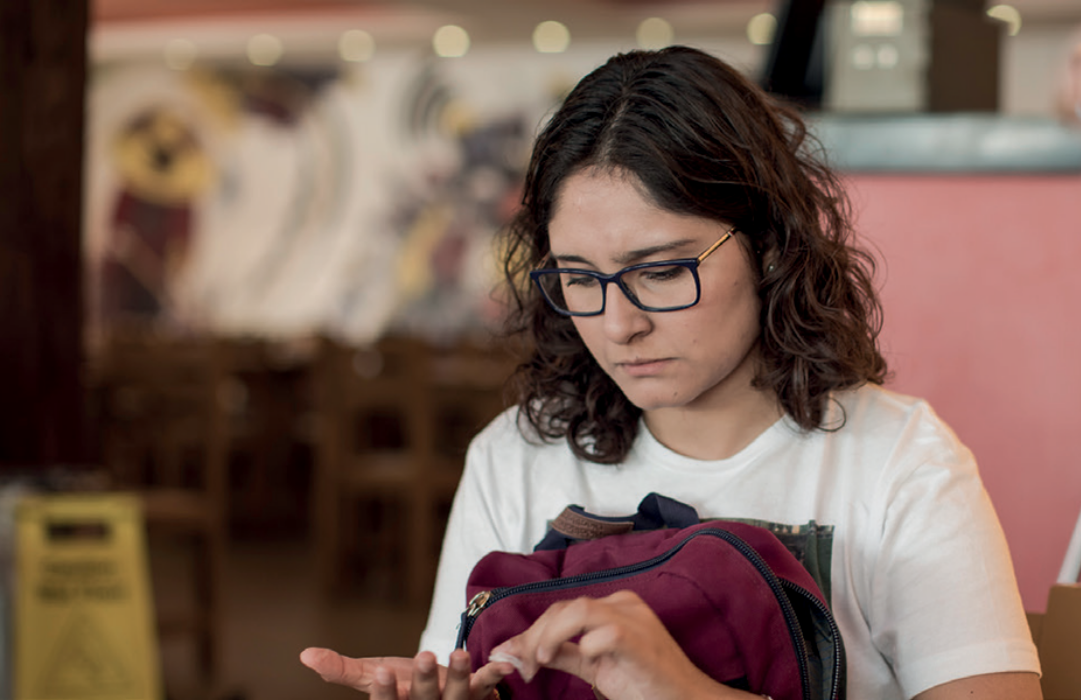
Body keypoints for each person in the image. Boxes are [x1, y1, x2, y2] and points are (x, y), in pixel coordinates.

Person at [302, 45, 1042, 699]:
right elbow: (470, 670)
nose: (619, 323)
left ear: (771, 248)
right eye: (579, 278)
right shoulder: (516, 457)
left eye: (660, 271)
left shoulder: (897, 464)